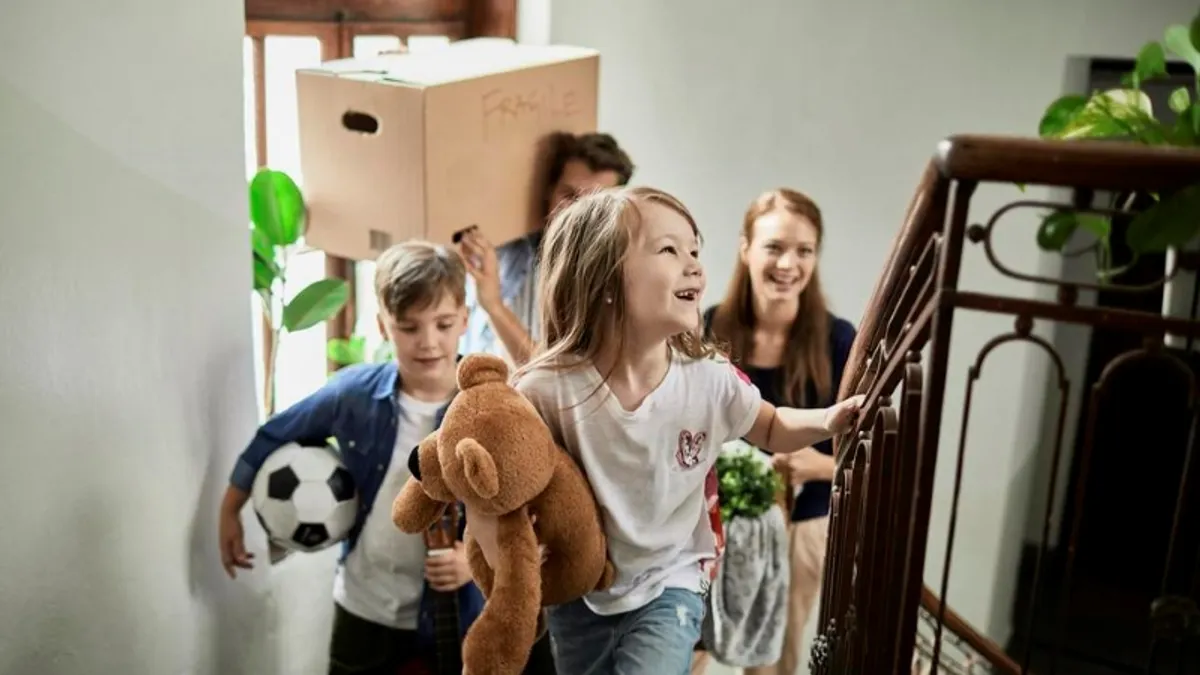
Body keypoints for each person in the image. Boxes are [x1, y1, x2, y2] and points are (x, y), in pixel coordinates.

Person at [510, 186, 865, 675]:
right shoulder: (547, 389)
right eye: (669, 250)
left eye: (695, 250)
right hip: (580, 590)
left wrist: (828, 418)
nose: (695, 265)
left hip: (669, 581)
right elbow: (515, 478)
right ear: (604, 278)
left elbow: (772, 424)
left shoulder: (707, 375)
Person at [217, 241, 484, 675]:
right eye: (409, 327)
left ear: (464, 320)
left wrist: (474, 562)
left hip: (459, 612)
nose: (429, 341)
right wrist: (230, 508)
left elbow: (522, 513)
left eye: (443, 323)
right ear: (383, 326)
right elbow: (274, 433)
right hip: (365, 606)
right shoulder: (353, 395)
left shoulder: (486, 408)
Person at [702, 188, 856, 675]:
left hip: (801, 524)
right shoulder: (709, 327)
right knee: (685, 649)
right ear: (745, 248)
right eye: (773, 247)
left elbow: (870, 453)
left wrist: (822, 466)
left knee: (774, 661)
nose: (788, 263)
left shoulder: (839, 340)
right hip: (710, 521)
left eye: (804, 250)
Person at [456, 131, 636, 365]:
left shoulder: (612, 284)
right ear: (549, 192)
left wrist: (494, 306)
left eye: (594, 202)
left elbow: (551, 376)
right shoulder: (509, 252)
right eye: (569, 195)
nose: (577, 212)